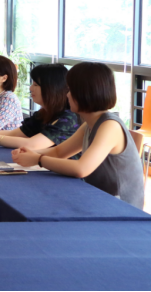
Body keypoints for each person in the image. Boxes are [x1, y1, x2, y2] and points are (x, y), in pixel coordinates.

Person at [13, 62, 144, 209]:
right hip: (98, 199)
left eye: (70, 90)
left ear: (84, 93)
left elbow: (81, 169)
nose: (67, 95)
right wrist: (31, 153)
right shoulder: (89, 124)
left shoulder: (109, 126)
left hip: (120, 208)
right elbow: (59, 152)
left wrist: (38, 159)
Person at [0, 64, 81, 154]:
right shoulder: (43, 113)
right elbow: (15, 134)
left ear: (52, 88)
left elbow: (32, 144)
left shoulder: (68, 118)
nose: (31, 88)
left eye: (36, 85)